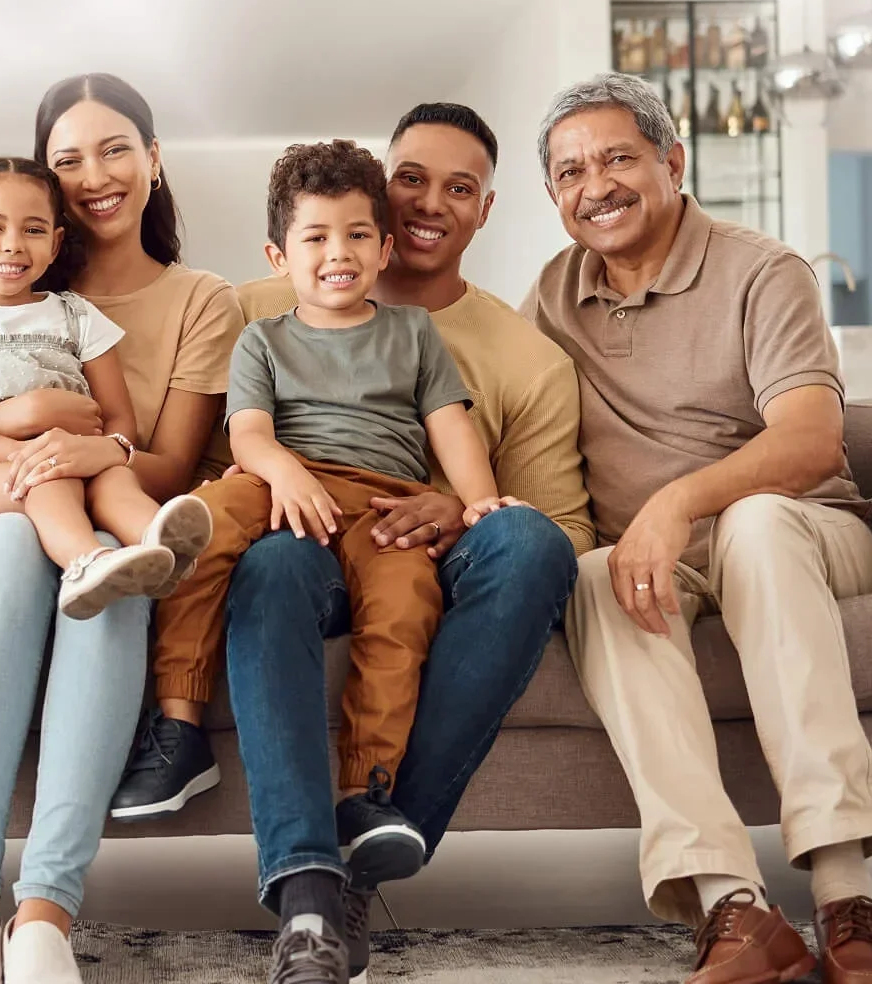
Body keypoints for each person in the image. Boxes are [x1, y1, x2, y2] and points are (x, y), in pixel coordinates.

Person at [121, 103, 587, 984]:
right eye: (410, 178)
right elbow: (240, 434)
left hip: (392, 517)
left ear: (483, 209)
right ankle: (235, 794)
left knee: (486, 561)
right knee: (249, 548)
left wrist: (470, 505)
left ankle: (369, 813)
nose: (425, 203)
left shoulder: (497, 353)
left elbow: (530, 509)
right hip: (281, 518)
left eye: (458, 187)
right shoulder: (257, 316)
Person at [527, 72, 872, 984]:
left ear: (671, 162)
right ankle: (734, 907)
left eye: (615, 158)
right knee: (597, 574)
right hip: (658, 561)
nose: (592, 185)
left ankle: (846, 894)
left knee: (756, 522)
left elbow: (809, 439)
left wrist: (676, 503)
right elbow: (501, 413)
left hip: (804, 533)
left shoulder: (763, 269)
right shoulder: (553, 297)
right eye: (567, 172)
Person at [0, 74, 243, 984]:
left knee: (124, 570)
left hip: (98, 502)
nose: (94, 174)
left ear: (153, 160)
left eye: (114, 149)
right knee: (28, 536)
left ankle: (47, 912)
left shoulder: (193, 300)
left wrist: (83, 451)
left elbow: (165, 463)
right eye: (68, 159)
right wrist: (32, 421)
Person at [0, 155, 213, 617]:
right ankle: (86, 561)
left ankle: (159, 543)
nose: (13, 245)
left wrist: (104, 449)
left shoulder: (77, 316)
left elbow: (119, 418)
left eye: (32, 230)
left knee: (114, 477)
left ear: (55, 243)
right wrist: (23, 456)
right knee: (47, 479)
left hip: (71, 457)